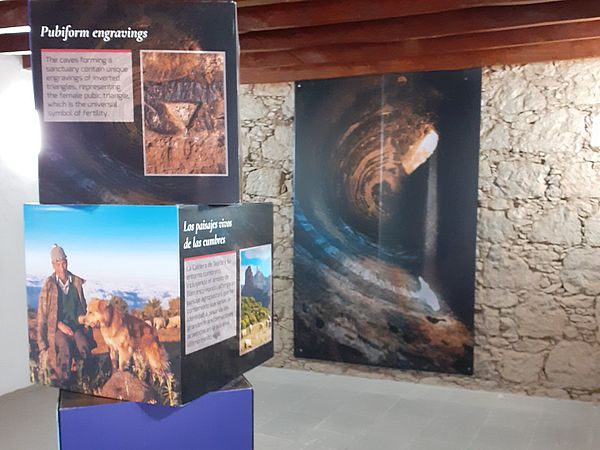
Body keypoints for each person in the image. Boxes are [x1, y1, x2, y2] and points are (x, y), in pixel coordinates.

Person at [37, 245, 93, 384]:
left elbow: (81, 309)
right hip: (56, 328)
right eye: (58, 264)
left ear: (67, 262)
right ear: (53, 265)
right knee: (64, 346)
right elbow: (42, 315)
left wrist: (83, 319)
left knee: (83, 345)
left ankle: (86, 380)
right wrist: (58, 325)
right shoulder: (49, 286)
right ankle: (63, 381)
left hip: (76, 327)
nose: (62, 268)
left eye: (64, 263)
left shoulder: (76, 283)